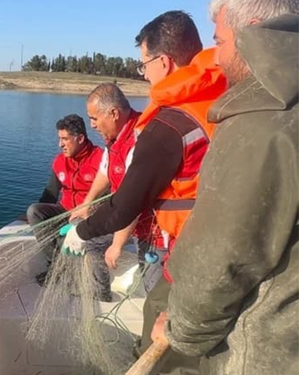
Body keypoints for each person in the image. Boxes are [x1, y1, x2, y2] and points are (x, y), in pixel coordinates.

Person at [61, 11, 227, 374]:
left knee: (157, 323)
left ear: (164, 62)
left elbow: (123, 208)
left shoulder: (168, 126)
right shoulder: (222, 102)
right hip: (222, 238)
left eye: (145, 64)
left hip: (190, 250)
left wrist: (81, 231)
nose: (144, 73)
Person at [150, 4, 298, 374]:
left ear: (250, 32)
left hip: (266, 353)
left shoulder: (260, 121)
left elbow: (222, 258)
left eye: (219, 41)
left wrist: (177, 327)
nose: (216, 56)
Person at [72, 83, 166, 293]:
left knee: (155, 292)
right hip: (127, 218)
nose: (92, 125)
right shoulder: (115, 138)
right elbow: (105, 170)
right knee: (94, 243)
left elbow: (134, 200)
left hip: (154, 231)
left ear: (114, 113)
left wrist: (117, 245)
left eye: (94, 118)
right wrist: (86, 204)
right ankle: (100, 295)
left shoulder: (140, 140)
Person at [26, 114, 113, 301]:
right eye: (59, 139)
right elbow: (50, 193)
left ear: (80, 138)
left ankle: (90, 284)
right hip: (66, 211)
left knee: (82, 228)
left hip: (91, 216)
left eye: (65, 139)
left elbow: (111, 198)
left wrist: (86, 214)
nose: (60, 144)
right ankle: (58, 265)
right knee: (34, 211)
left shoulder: (101, 160)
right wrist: (26, 217)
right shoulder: (59, 161)